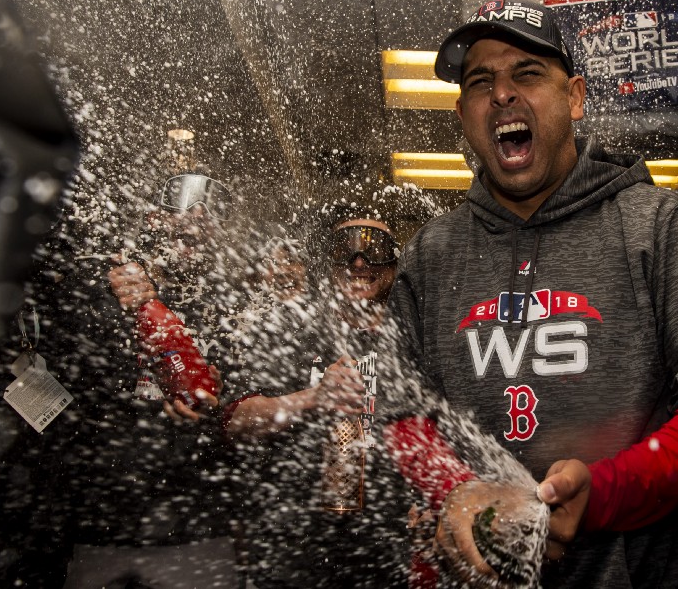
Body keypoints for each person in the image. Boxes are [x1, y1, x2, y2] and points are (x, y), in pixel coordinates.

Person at [377, 0, 678, 588]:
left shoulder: (665, 226)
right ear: (463, 114)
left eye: (527, 73)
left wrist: (604, 493)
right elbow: (397, 412)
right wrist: (453, 488)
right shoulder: (430, 255)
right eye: (480, 82)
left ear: (574, 97)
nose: (502, 94)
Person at [41, 171, 244, 588]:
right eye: (182, 211)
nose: (195, 221)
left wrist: (218, 395)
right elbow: (67, 380)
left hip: (199, 529)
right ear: (154, 219)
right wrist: (110, 301)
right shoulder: (107, 286)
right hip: (104, 526)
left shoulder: (230, 305)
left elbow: (240, 404)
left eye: (208, 217)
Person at [225, 185, 431, 587]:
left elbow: (440, 425)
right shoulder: (290, 328)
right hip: (295, 544)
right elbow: (236, 421)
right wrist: (312, 398)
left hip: (388, 544)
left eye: (375, 248)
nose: (359, 261)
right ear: (328, 264)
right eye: (345, 248)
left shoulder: (416, 338)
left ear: (394, 265)